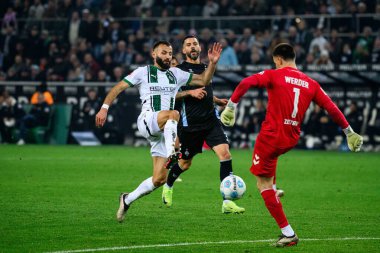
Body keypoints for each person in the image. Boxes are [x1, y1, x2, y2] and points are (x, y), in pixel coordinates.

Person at [220, 43, 363, 247]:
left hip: (271, 137)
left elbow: (245, 83)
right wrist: (349, 132)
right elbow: (331, 107)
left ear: (278, 59)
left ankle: (288, 233)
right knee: (271, 164)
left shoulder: (274, 75)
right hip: (291, 138)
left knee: (262, 184)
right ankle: (275, 190)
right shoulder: (310, 83)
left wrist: (231, 107)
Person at [95, 40, 222, 223]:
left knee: (159, 179)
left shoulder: (176, 74)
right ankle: (173, 154)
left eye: (170, 53)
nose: (167, 56)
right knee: (173, 114)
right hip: (148, 120)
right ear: (154, 55)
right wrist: (104, 108)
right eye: (163, 53)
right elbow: (118, 87)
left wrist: (213, 63)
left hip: (164, 131)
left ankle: (127, 199)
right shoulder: (143, 72)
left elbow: (204, 80)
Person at [161, 35, 245, 214]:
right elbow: (169, 96)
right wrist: (190, 92)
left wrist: (215, 100)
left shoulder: (207, 67)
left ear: (200, 48)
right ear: (183, 50)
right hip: (189, 125)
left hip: (210, 121)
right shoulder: (178, 71)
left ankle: (227, 201)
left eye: (195, 44)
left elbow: (206, 89)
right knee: (184, 164)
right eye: (188, 44)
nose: (192, 46)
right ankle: (168, 185)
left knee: (225, 154)